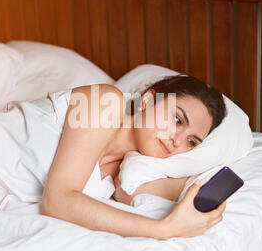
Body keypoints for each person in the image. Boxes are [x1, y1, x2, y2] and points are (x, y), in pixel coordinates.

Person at [41, 74, 227, 240]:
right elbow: (56, 201)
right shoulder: (106, 101)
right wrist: (163, 229)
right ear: (147, 101)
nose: (177, 141)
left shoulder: (121, 178)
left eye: (191, 142)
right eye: (177, 119)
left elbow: (180, 191)